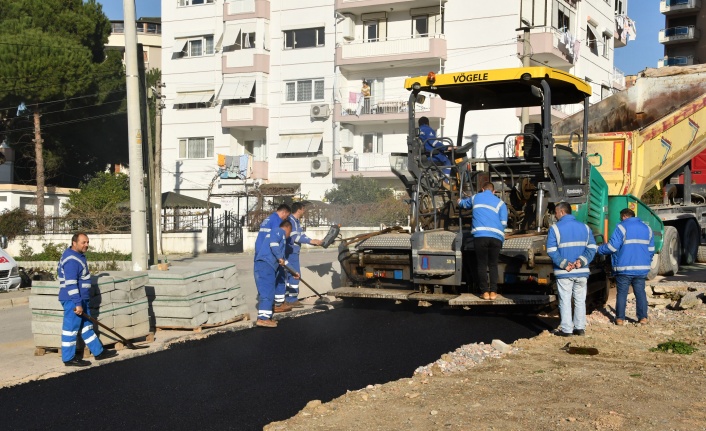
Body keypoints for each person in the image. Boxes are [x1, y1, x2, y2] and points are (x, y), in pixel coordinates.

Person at [58, 233, 118, 366]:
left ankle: (98, 352)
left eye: (87, 242)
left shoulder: (78, 256)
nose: (86, 245)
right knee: (71, 329)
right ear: (74, 243)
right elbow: (71, 283)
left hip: (81, 299)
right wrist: (77, 303)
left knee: (86, 326)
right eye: (83, 242)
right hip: (73, 300)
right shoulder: (71, 260)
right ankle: (68, 358)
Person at [546, 202, 597, 337]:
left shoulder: (555, 229)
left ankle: (567, 329)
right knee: (580, 300)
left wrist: (564, 264)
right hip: (581, 271)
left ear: (562, 212)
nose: (555, 216)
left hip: (564, 272)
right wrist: (582, 261)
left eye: (556, 212)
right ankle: (580, 328)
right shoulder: (585, 228)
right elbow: (592, 248)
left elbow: (551, 250)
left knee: (565, 300)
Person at [597, 208, 654, 326]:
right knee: (640, 293)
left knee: (622, 293)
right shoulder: (647, 229)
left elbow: (612, 247)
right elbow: (651, 250)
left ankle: (620, 319)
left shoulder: (621, 227)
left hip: (624, 268)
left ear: (624, 217)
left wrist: (599, 249)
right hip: (641, 268)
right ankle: (643, 318)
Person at [458, 182, 508, 300]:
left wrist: (459, 201)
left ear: (482, 189)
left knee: (481, 265)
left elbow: (464, 204)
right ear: (494, 191)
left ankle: (485, 292)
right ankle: (494, 293)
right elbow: (504, 223)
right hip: (496, 238)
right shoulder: (501, 203)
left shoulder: (476, 197)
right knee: (493, 265)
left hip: (480, 237)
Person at [254, 219, 298, 328]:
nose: (289, 236)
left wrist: (294, 272)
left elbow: (283, 261)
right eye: (290, 232)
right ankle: (263, 318)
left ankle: (276, 306)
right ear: (287, 228)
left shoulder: (281, 241)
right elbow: (273, 244)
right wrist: (279, 257)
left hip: (269, 265)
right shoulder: (278, 231)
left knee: (276, 283)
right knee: (267, 291)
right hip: (265, 265)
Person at [285, 202, 323, 308]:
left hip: (294, 251)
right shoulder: (291, 221)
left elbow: (301, 235)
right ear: (299, 210)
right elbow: (294, 237)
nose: (304, 211)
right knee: (295, 275)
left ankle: (288, 298)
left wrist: (314, 241)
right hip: (291, 252)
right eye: (303, 209)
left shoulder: (296, 221)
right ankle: (292, 300)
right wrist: (310, 241)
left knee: (290, 276)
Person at [418, 116, 454, 186]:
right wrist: (445, 148)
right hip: (432, 155)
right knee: (448, 162)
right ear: (427, 123)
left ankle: (439, 178)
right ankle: (445, 182)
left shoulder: (418, 131)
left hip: (424, 156)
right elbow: (434, 142)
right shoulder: (428, 130)